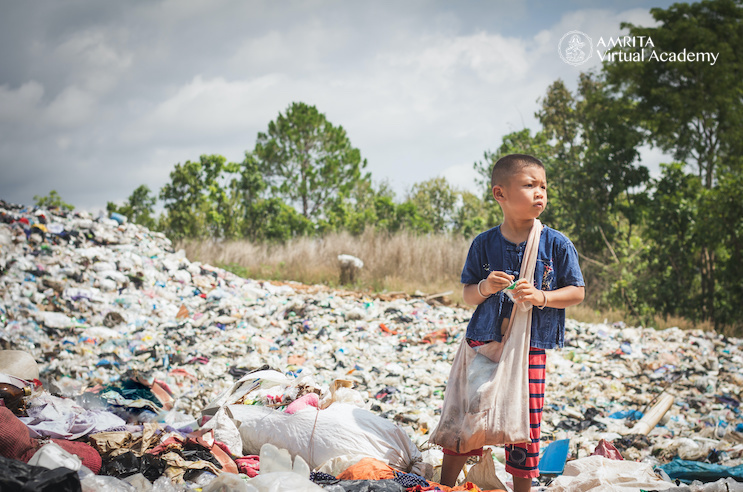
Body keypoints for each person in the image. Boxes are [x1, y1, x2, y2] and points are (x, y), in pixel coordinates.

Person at [439, 153, 585, 491]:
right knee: (469, 414)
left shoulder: (555, 243)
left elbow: (576, 291)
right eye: (529, 185)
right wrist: (485, 287)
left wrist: (541, 297)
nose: (540, 193)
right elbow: (467, 294)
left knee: (524, 423)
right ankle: (444, 485)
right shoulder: (485, 243)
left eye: (544, 186)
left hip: (529, 349)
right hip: (485, 343)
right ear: (500, 194)